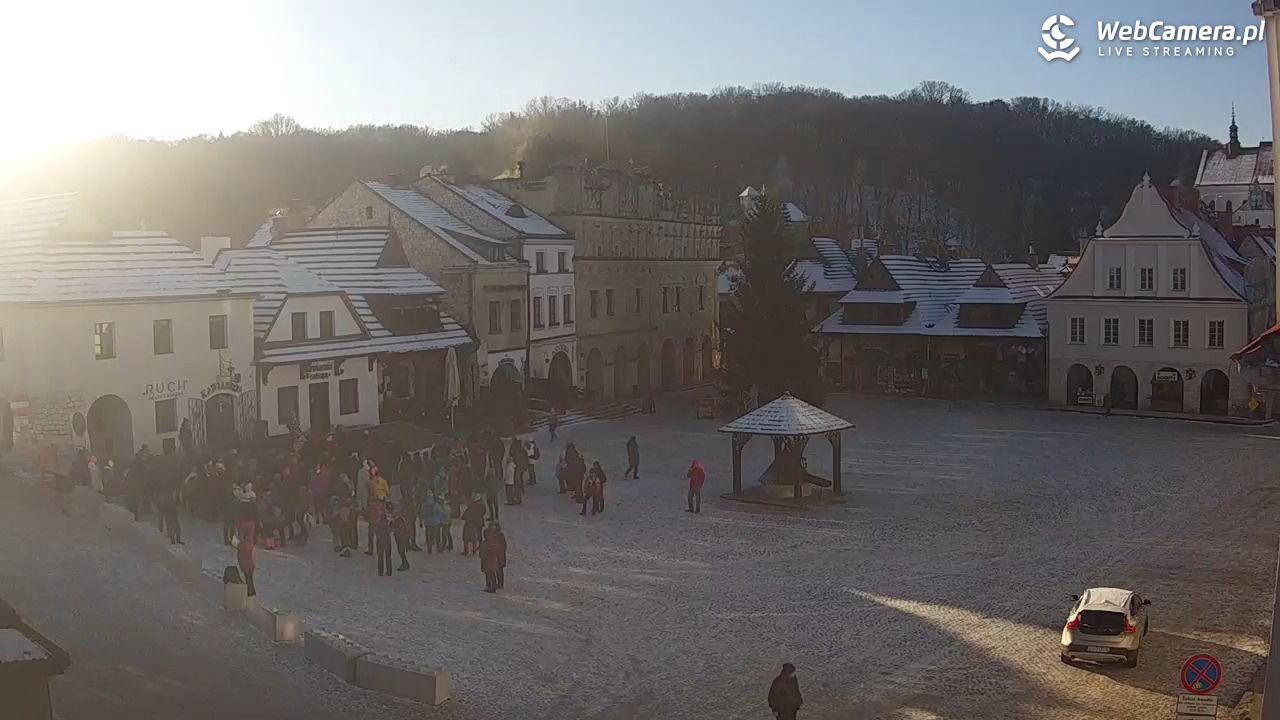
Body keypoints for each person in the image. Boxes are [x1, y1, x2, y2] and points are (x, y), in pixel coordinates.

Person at [373, 500, 394, 577]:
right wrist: (391, 527)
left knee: (381, 555)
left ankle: (381, 571)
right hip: (385, 537)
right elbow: (387, 528)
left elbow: (376, 527)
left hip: (380, 536)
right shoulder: (384, 516)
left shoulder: (378, 516)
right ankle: (388, 571)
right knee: (387, 555)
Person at [479, 526, 500, 593]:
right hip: (486, 561)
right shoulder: (485, 543)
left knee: (491, 574)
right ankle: (488, 585)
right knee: (487, 574)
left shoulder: (492, 543)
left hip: (490, 561)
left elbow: (495, 551)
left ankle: (492, 586)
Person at [392, 503, 412, 572]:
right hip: (401, 537)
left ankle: (405, 563)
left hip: (401, 537)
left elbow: (399, 529)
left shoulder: (399, 520)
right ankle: (405, 563)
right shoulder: (400, 519)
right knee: (401, 551)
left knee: (401, 551)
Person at [493, 524, 508, 589]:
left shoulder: (500, 537)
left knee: (499, 570)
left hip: (500, 556)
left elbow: (504, 546)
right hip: (496, 556)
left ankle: (500, 583)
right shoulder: (494, 536)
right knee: (496, 570)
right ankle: (498, 582)